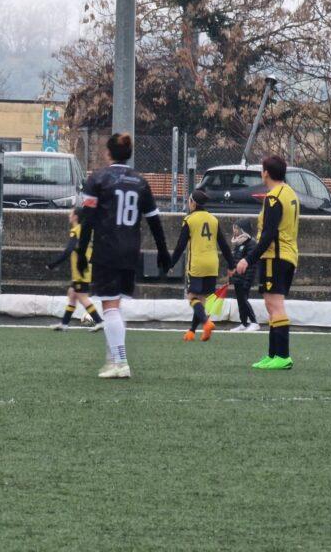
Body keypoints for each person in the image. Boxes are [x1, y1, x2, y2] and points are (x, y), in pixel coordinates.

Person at [77, 134, 172, 379]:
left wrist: (81, 251)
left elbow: (86, 221)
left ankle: (120, 362)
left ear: (108, 153)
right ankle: (112, 361)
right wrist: (163, 252)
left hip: (107, 250)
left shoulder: (98, 179)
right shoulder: (140, 181)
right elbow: (154, 221)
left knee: (109, 308)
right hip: (131, 251)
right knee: (115, 307)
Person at [236, 156, 299, 370]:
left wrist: (248, 259)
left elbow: (268, 235)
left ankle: (282, 356)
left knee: (275, 305)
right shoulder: (290, 193)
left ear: (265, 173)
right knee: (272, 304)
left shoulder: (273, 198)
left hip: (275, 256)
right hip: (288, 256)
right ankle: (273, 355)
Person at [169, 190, 235, 342]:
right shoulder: (213, 220)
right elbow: (224, 245)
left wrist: (171, 263)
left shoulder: (189, 220)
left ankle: (206, 323)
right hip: (212, 264)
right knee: (204, 300)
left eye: (189, 201)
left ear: (193, 203)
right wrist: (231, 264)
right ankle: (192, 331)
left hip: (197, 264)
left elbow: (180, 245)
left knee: (192, 297)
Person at [46, 207, 104, 332]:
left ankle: (99, 321)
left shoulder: (77, 230)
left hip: (80, 271)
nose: (69, 215)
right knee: (72, 295)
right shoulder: (86, 230)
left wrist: (53, 264)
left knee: (82, 297)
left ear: (75, 217)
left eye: (71, 213)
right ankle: (64, 324)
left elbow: (68, 250)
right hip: (84, 269)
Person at [230, 219, 259, 332]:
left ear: (243, 230)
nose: (235, 231)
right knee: (240, 301)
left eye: (237, 228)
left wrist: (247, 280)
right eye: (234, 228)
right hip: (238, 278)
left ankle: (254, 321)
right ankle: (243, 322)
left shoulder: (250, 243)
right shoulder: (238, 243)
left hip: (245, 278)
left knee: (243, 300)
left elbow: (252, 264)